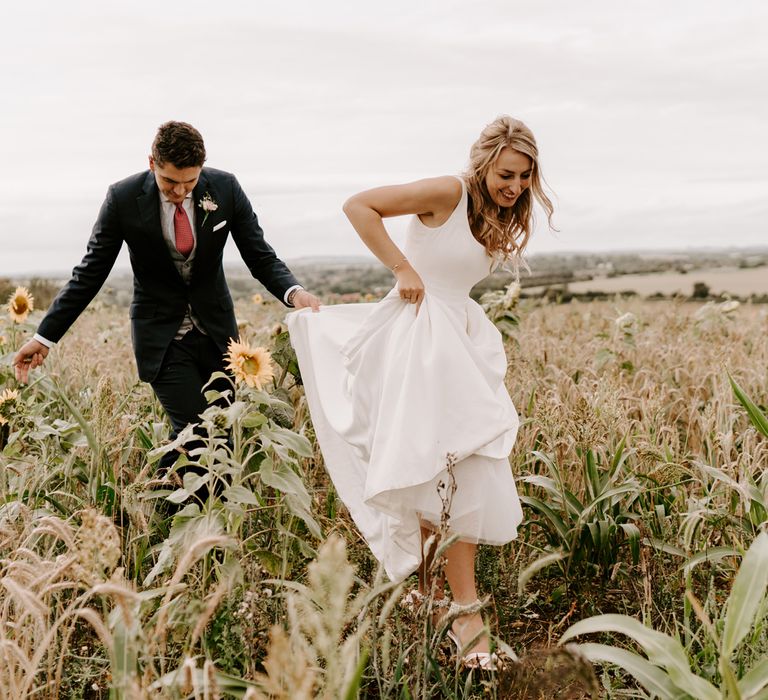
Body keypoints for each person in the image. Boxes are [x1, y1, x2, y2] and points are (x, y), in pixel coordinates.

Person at [286, 115, 554, 668]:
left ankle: (439, 601)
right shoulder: (448, 191)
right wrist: (402, 266)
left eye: (525, 177)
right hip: (417, 342)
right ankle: (465, 614)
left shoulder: (491, 211)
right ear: (483, 163)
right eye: (507, 173)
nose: (515, 186)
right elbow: (359, 205)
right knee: (447, 468)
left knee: (454, 472)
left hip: (455, 341)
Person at [14, 121, 320, 473]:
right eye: (169, 182)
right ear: (152, 163)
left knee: (224, 434)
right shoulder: (123, 198)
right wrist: (44, 336)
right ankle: (196, 521)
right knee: (197, 435)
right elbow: (90, 272)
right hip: (162, 338)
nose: (179, 191)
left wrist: (294, 292)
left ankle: (161, 498)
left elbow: (259, 255)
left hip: (219, 335)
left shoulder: (225, 188)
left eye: (189, 183)